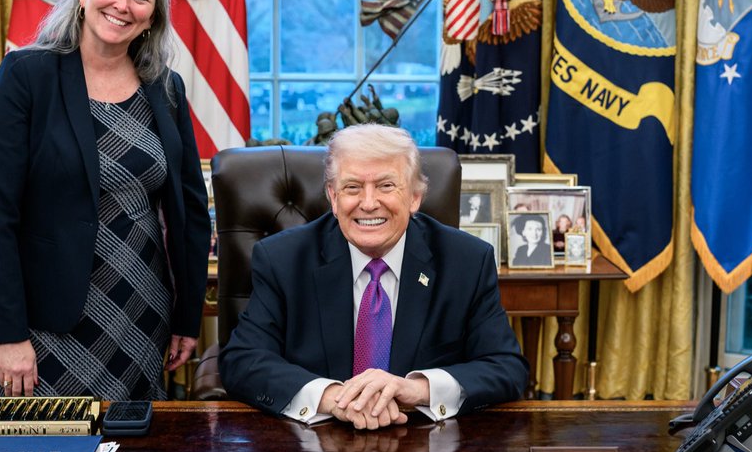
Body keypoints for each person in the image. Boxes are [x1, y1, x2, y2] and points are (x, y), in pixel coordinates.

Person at [0, 0, 210, 400]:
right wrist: (9, 333)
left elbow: (191, 211)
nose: (123, 5)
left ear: (152, 18)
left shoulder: (166, 88)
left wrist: (187, 316)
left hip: (142, 310)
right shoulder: (27, 75)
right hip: (45, 323)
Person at [219, 123, 528, 430]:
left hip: (424, 445)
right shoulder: (283, 259)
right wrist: (335, 398)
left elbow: (506, 367)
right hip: (313, 445)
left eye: (386, 186)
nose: (368, 203)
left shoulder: (467, 261)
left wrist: (417, 389)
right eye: (352, 187)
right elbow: (243, 360)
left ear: (415, 197)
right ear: (333, 196)